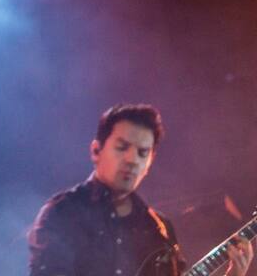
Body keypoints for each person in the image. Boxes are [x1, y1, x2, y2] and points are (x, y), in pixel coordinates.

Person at [28, 103, 253, 276]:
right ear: (96, 151)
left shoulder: (159, 229)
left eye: (142, 153)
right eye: (122, 147)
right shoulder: (63, 213)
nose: (132, 159)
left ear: (150, 161)